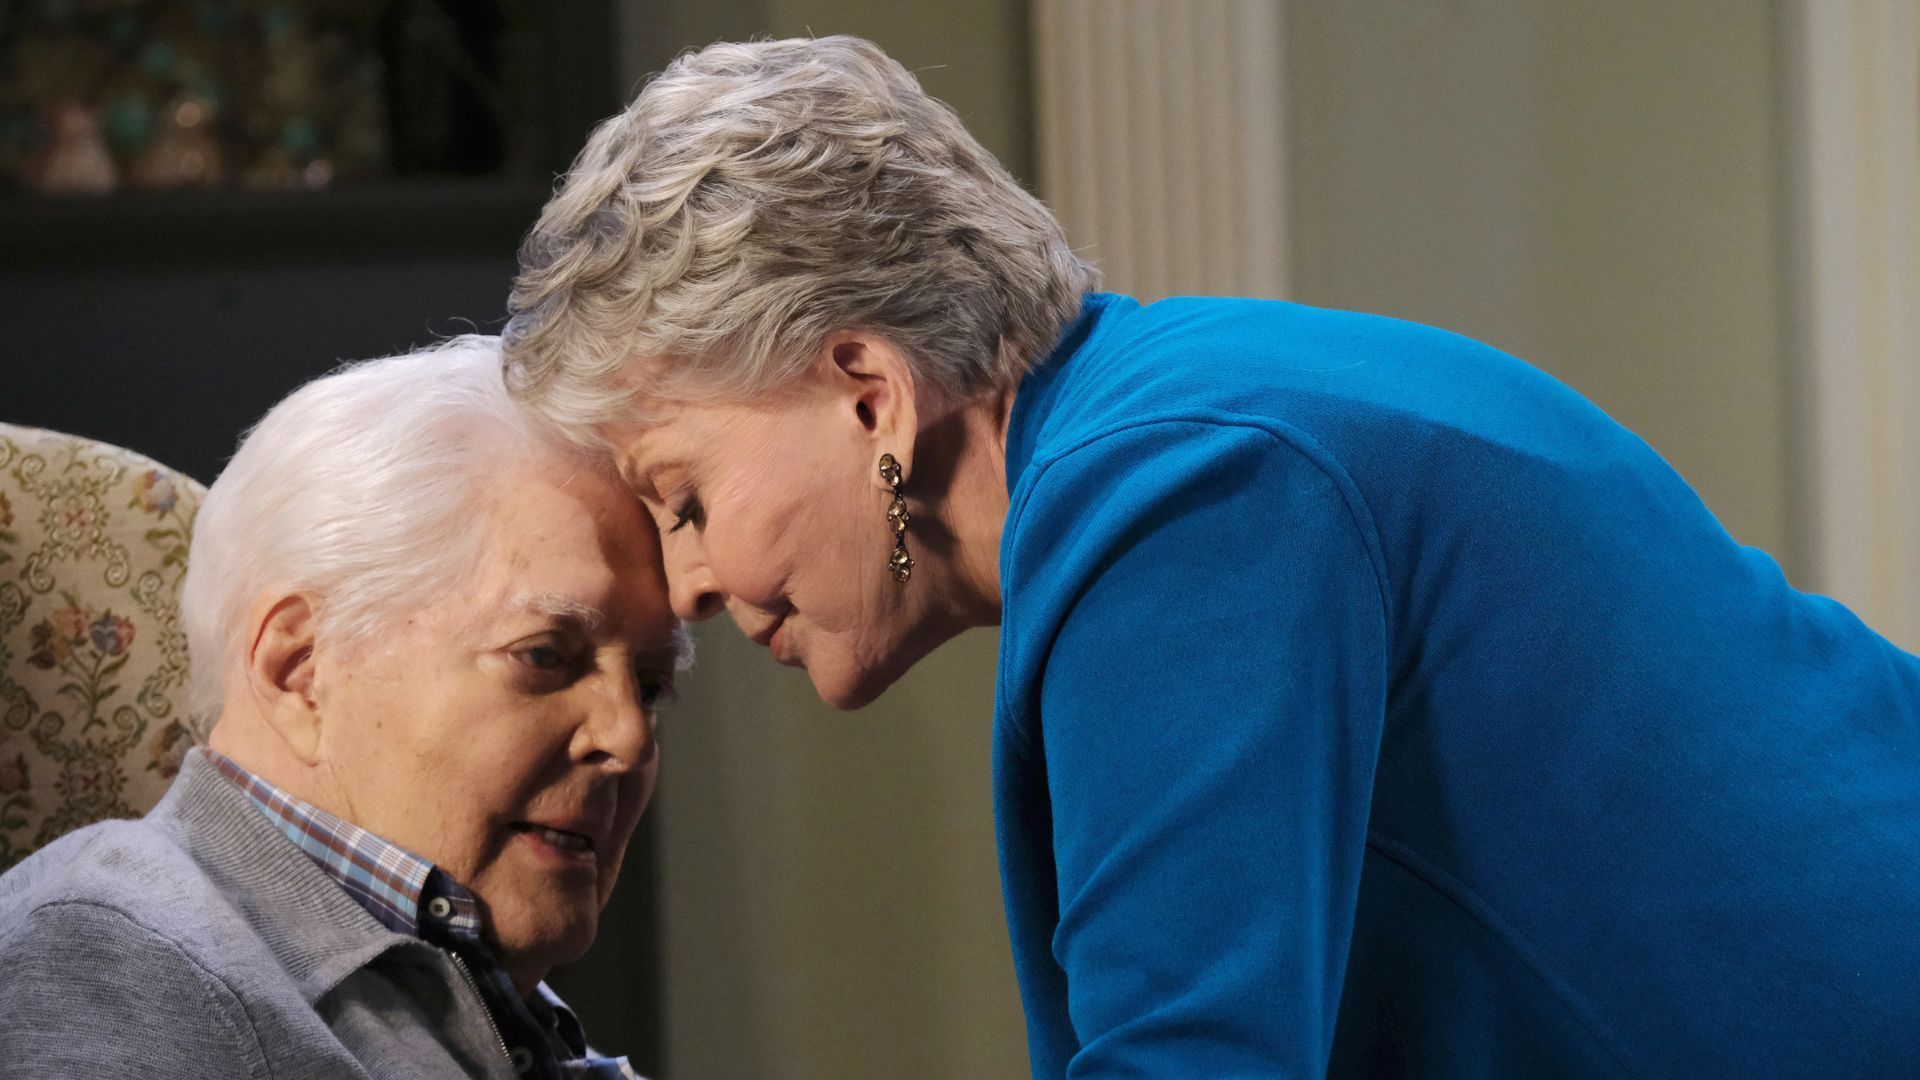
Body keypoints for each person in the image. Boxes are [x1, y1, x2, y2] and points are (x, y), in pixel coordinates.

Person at [501, 35, 1920, 1079]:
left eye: (682, 496)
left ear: (869, 391)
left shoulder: (1183, 492)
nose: (682, 584)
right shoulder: (1177, 414)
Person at [0, 337, 684, 1079]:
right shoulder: (116, 965)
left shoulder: (490, 1004)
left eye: (648, 685)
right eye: (545, 655)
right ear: (299, 667)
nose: (628, 736)